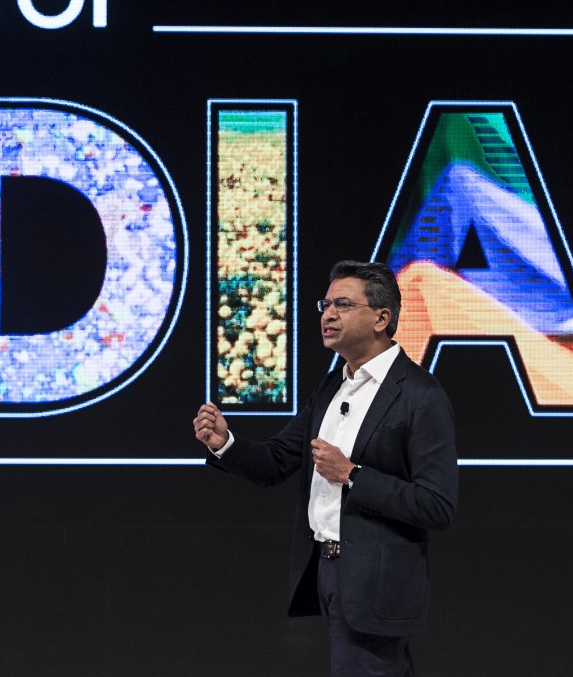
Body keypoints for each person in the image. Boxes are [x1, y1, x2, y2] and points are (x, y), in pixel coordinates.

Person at [194, 260, 457, 676]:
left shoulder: (421, 395)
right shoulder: (331, 387)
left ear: (381, 318)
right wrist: (224, 443)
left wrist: (353, 475)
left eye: (343, 304)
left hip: (377, 583)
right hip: (329, 571)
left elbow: (436, 505)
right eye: (326, 303)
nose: (327, 314)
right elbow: (275, 462)